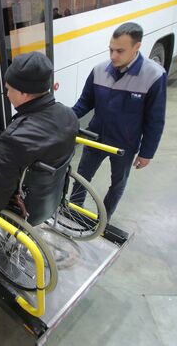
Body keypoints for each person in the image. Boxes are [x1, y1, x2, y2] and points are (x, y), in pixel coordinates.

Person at [0, 52, 79, 229]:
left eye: (9, 89)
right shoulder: (68, 115)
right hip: (52, 196)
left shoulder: (15, 138)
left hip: (28, 207)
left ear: (23, 93)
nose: (7, 94)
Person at [71, 22, 166, 222]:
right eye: (111, 50)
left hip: (125, 144)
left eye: (120, 51)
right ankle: (72, 212)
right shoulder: (99, 71)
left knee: (117, 184)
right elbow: (84, 103)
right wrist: (62, 118)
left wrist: (147, 152)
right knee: (81, 178)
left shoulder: (154, 76)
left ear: (137, 46)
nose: (113, 56)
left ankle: (103, 220)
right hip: (95, 138)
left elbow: (155, 120)